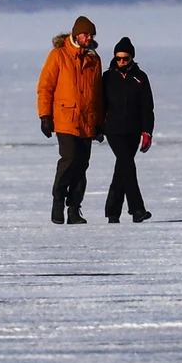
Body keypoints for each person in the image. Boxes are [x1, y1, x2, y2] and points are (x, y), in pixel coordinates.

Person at [36, 15, 103, 224]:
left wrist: (100, 122)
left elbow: (98, 94)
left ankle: (74, 208)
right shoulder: (58, 55)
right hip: (65, 118)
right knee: (69, 159)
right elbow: (45, 87)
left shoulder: (94, 59)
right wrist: (45, 116)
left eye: (91, 34)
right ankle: (58, 199)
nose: (88, 37)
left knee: (82, 164)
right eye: (85, 34)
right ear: (76, 34)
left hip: (87, 120)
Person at [100, 36, 154, 223]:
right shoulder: (107, 77)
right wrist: (98, 127)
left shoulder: (140, 78)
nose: (121, 62)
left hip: (133, 130)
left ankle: (112, 212)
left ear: (132, 58)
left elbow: (147, 107)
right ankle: (137, 209)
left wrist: (147, 132)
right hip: (113, 130)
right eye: (118, 58)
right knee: (128, 166)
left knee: (122, 168)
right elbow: (100, 104)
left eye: (125, 58)